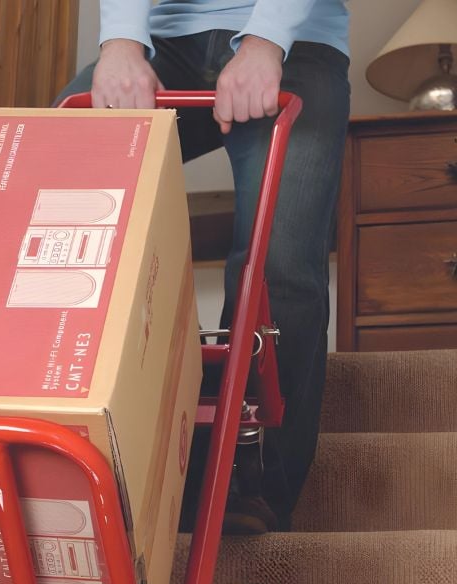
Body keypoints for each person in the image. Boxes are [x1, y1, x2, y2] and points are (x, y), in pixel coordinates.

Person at [56, 1, 350, 533]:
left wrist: (265, 40)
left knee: (277, 260)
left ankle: (254, 480)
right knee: (61, 175)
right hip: (163, 37)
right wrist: (120, 42)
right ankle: (101, 451)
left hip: (298, 38)